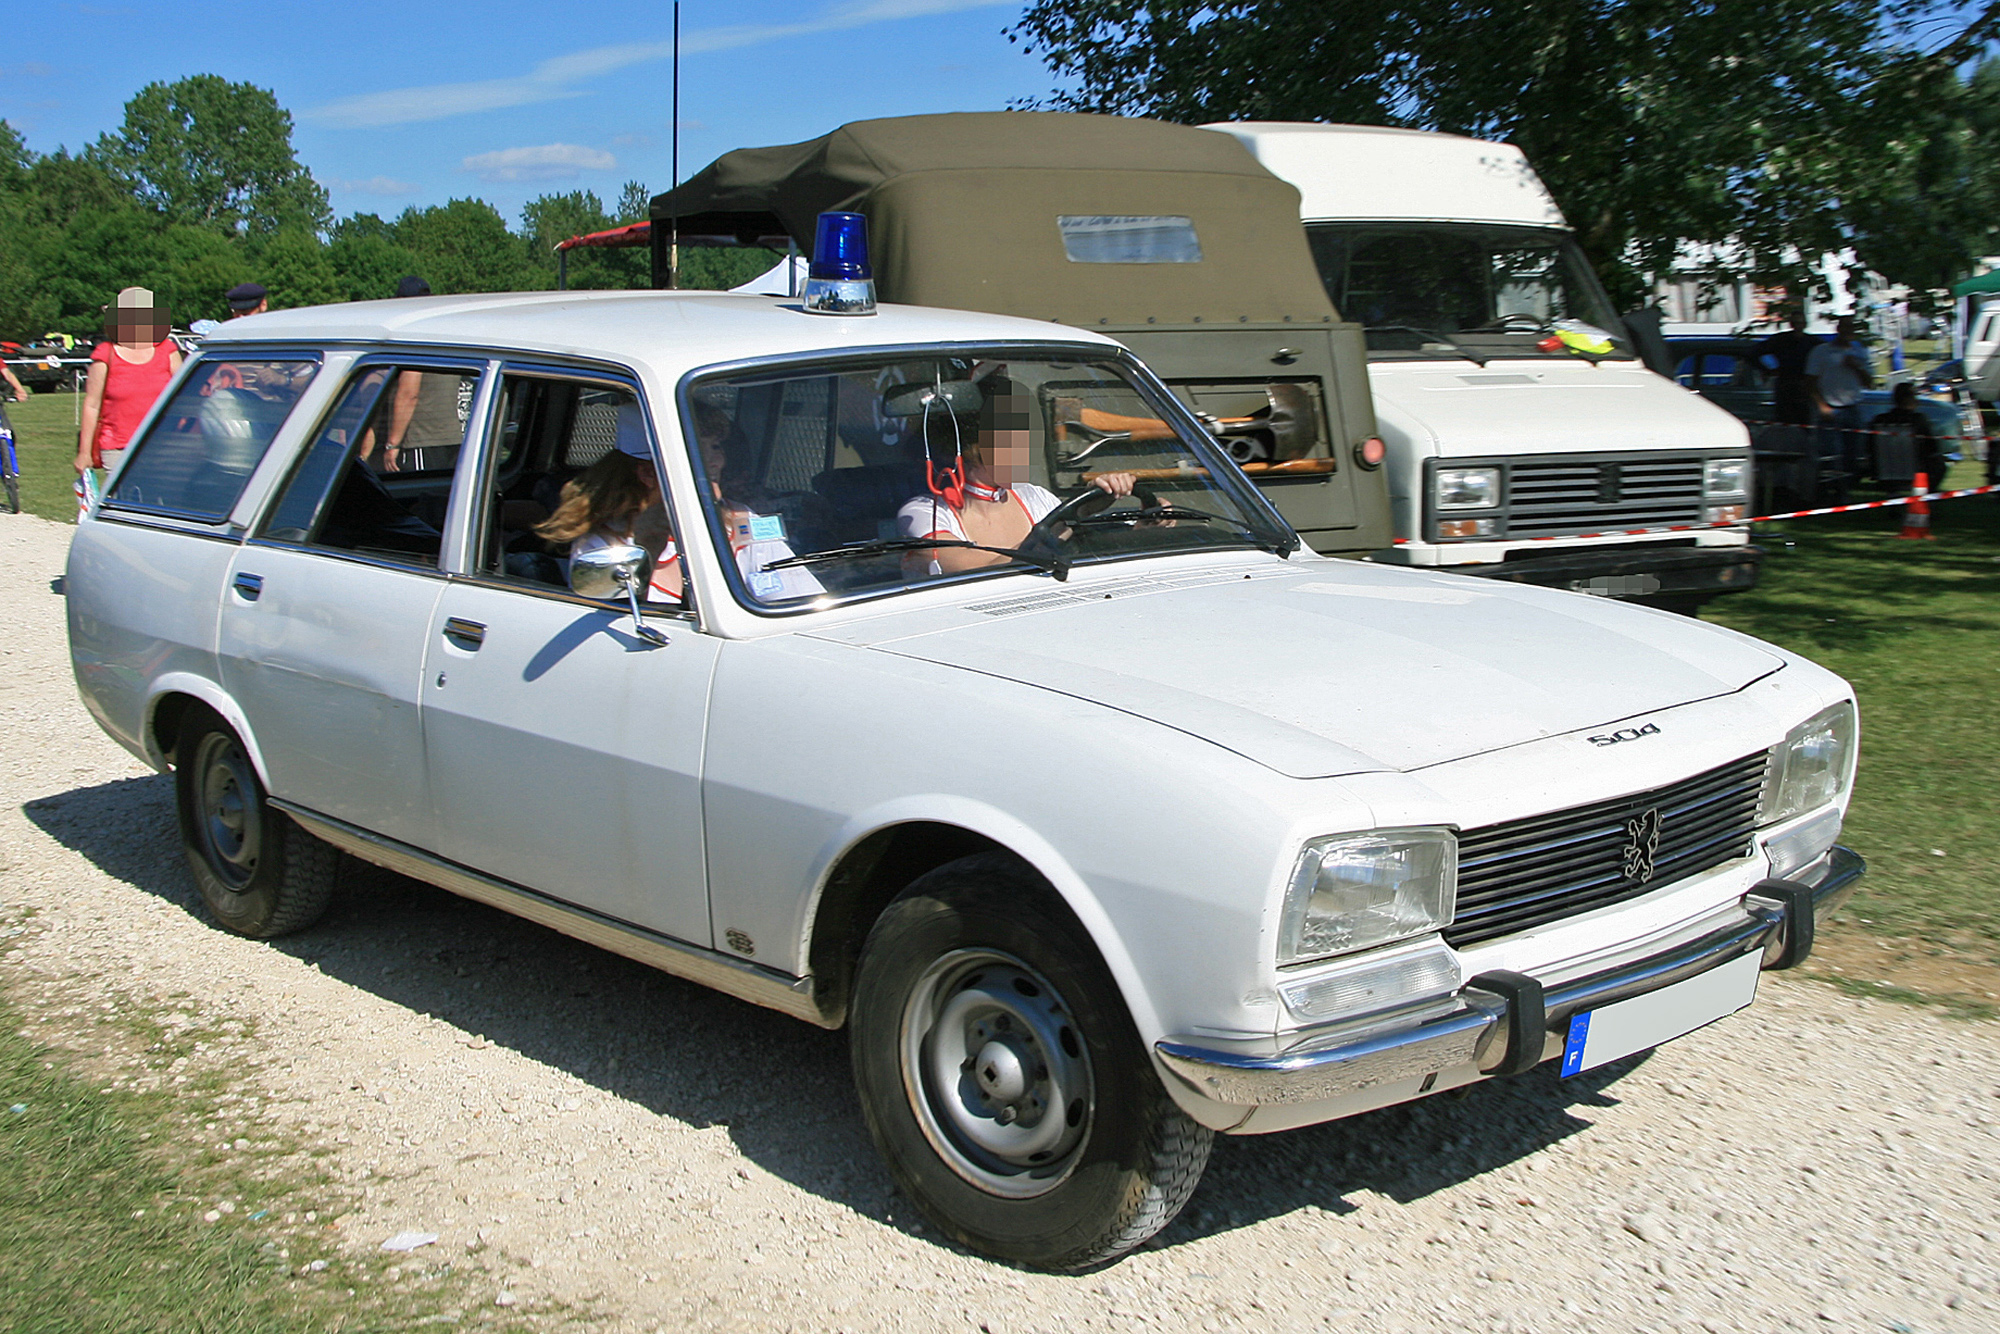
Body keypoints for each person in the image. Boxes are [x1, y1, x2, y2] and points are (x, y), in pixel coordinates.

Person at [896, 376, 1136, 575]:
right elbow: (966, 567)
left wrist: (1100, 508)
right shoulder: (924, 512)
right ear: (967, 449)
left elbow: (1071, 537)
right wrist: (1060, 528)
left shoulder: (1034, 497)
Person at [535, 403, 685, 603]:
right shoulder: (600, 545)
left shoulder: (723, 520)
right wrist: (650, 547)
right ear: (648, 474)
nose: (720, 465)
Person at [75, 287, 183, 476]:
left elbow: (185, 395)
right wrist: (84, 453)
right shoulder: (105, 353)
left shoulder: (168, 350)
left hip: (163, 444)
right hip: (117, 448)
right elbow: (92, 405)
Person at [1805, 316, 1875, 478]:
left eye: (1851, 329)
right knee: (1829, 451)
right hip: (1830, 407)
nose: (1848, 332)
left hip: (1853, 407)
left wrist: (1856, 367)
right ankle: (1828, 485)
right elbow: (1810, 381)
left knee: (1853, 451)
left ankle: (1848, 486)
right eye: (1844, 328)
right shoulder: (1822, 351)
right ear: (1838, 329)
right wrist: (1821, 405)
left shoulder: (1860, 352)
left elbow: (1869, 383)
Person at [1867, 382, 1950, 492]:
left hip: (1885, 471)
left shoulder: (1879, 420)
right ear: (1911, 399)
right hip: (1916, 471)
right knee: (1939, 463)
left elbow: (1869, 448)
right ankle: (1929, 493)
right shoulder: (1918, 420)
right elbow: (1932, 447)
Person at [1754, 307, 1818, 426]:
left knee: (1804, 423)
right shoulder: (1780, 340)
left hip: (1805, 387)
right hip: (1785, 386)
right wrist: (1767, 370)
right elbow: (1754, 352)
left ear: (1805, 324)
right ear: (1791, 324)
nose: (1798, 326)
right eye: (1795, 323)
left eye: (1800, 323)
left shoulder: (1813, 342)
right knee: (1784, 423)